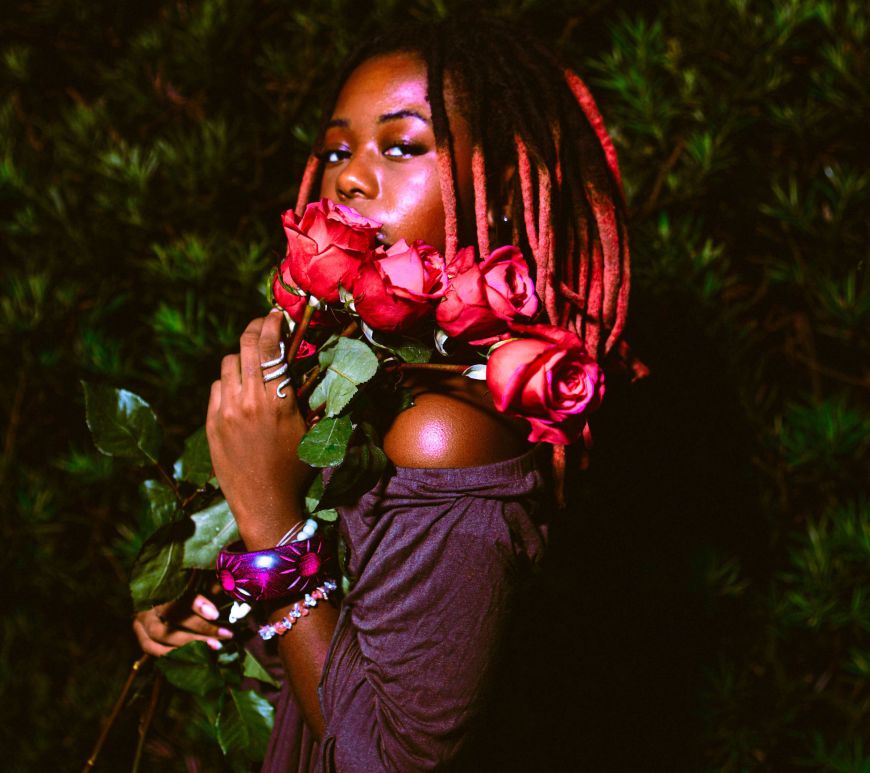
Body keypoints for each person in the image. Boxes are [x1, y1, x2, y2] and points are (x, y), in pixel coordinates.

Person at [134, 14, 630, 772]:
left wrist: (267, 520)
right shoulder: (380, 386)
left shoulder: (446, 430)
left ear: (500, 190)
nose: (351, 178)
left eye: (401, 146)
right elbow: (338, 666)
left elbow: (388, 758)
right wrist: (214, 594)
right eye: (337, 150)